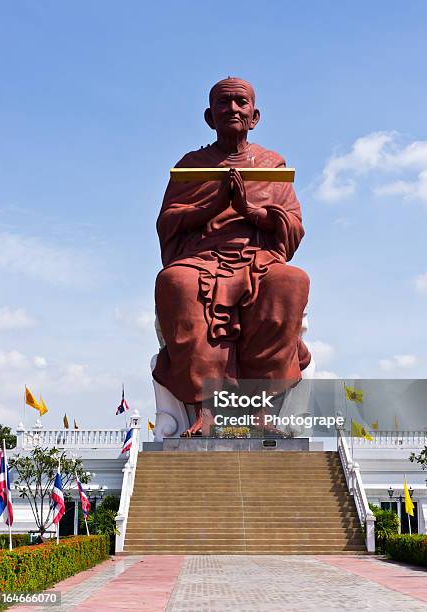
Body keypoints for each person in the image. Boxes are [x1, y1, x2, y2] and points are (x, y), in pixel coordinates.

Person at [153, 77, 311, 435]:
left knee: (291, 280)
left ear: (254, 116)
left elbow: (293, 224)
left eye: (241, 103)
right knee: (175, 282)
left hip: (258, 257)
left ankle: (262, 410)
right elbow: (169, 222)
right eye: (224, 103)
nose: (233, 109)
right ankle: (204, 410)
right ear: (210, 116)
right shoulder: (192, 165)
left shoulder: (271, 164)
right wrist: (213, 204)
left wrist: (249, 210)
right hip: (202, 257)